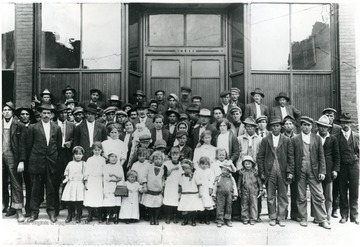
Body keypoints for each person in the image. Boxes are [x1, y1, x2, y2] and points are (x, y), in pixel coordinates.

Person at [24, 103, 62, 223]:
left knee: (51, 188)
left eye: (48, 113)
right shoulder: (33, 128)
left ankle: (51, 212)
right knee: (36, 189)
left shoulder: (57, 128)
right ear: (40, 114)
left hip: (51, 163)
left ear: (51, 115)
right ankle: (34, 212)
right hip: (37, 162)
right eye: (44, 113)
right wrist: (31, 162)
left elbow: (59, 147)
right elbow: (29, 146)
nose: (46, 115)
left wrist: (55, 159)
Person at [291, 116, 331, 229]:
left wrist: (322, 171)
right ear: (301, 126)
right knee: (301, 195)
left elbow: (321, 156)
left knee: (318, 195)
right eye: (304, 124)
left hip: (314, 170)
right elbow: (292, 157)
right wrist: (292, 172)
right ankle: (303, 218)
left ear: (312, 126)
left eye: (308, 125)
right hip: (300, 170)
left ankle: (322, 219)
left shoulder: (316, 138)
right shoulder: (295, 139)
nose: (306, 127)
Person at [257, 116, 294, 227]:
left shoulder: (286, 140)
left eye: (277, 125)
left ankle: (281, 217)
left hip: (282, 170)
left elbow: (290, 157)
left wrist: (290, 171)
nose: (275, 128)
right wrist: (262, 171)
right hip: (270, 170)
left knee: (283, 195)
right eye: (273, 126)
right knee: (270, 196)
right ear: (270, 127)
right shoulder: (265, 140)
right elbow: (261, 157)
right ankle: (272, 217)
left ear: (281, 127)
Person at [311, 115, 340, 224]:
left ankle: (327, 216)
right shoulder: (313, 137)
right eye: (321, 126)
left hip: (328, 170)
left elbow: (336, 156)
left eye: (325, 127)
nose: (323, 129)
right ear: (318, 126)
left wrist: (335, 170)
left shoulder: (332, 139)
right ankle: (316, 216)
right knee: (317, 194)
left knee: (328, 195)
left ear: (328, 128)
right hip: (315, 169)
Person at [2, 102, 26, 222]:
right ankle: (7, 207)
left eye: (9, 110)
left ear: (12, 112)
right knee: (2, 184)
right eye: (4, 109)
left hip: (13, 157)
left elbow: (22, 145)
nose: (6, 111)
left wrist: (21, 161)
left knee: (16, 184)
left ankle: (18, 210)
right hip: (1, 156)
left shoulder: (18, 125)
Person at [334, 113, 359, 225]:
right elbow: (335, 154)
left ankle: (354, 216)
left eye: (348, 122)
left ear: (351, 124)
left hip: (354, 166)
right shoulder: (336, 137)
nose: (346, 125)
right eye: (343, 122)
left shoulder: (357, 136)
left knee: (354, 191)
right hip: (342, 167)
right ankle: (344, 215)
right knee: (342, 191)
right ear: (340, 124)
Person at [54, 103, 75, 216]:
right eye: (61, 112)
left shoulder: (72, 125)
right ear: (57, 114)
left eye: (65, 112)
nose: (64, 114)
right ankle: (56, 203)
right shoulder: (53, 124)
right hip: (56, 154)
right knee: (56, 179)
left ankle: (65, 200)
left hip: (67, 154)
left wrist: (70, 142)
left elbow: (74, 138)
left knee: (67, 178)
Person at [15, 105, 34, 217]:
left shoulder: (33, 127)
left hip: (29, 160)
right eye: (22, 114)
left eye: (27, 114)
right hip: (15, 158)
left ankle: (29, 208)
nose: (24, 116)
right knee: (16, 185)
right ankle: (15, 207)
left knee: (29, 184)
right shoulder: (15, 127)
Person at [61, 146, 85, 223]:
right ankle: (70, 215)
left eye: (80, 154)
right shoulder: (70, 163)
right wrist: (67, 177)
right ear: (73, 155)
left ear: (82, 155)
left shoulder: (83, 164)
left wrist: (85, 180)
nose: (78, 156)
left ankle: (78, 215)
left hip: (79, 184)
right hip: (71, 184)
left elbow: (85, 173)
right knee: (71, 200)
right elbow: (66, 172)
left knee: (79, 200)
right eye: (76, 154)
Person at [83, 142, 106, 223]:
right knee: (90, 197)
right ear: (92, 150)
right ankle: (90, 215)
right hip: (91, 180)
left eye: (98, 150)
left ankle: (99, 215)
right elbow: (86, 171)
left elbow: (104, 172)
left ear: (101, 150)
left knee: (99, 197)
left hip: (99, 180)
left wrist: (104, 182)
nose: (97, 151)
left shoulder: (103, 160)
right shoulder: (89, 159)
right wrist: (86, 181)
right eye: (95, 150)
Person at [141, 151, 165, 225]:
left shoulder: (163, 168)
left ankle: (156, 217)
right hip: (150, 189)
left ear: (162, 160)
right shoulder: (148, 167)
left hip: (158, 190)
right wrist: (145, 185)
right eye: (156, 159)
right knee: (150, 205)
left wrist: (163, 187)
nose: (158, 160)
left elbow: (164, 179)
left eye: (160, 159)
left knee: (157, 204)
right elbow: (144, 176)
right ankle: (151, 217)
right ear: (153, 160)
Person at [178, 159, 204, 226]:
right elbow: (180, 186)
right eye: (185, 168)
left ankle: (193, 220)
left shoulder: (195, 176)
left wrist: (200, 192)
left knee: (193, 208)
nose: (186, 170)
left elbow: (199, 184)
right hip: (185, 195)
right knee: (185, 208)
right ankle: (185, 220)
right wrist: (179, 194)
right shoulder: (182, 176)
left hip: (193, 195)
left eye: (188, 168)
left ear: (191, 168)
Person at [212, 160, 238, 227]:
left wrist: (235, 194)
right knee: (220, 206)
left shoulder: (231, 178)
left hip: (229, 194)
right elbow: (215, 185)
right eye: (224, 170)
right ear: (221, 169)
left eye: (227, 170)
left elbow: (234, 186)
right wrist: (214, 193)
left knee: (228, 206)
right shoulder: (219, 177)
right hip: (220, 194)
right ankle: (220, 220)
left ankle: (228, 219)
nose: (225, 171)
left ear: (229, 171)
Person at [238, 156, 263, 225]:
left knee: (253, 205)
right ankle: (245, 218)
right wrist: (239, 189)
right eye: (246, 164)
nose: (248, 165)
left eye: (249, 164)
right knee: (244, 205)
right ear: (243, 165)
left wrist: (261, 189)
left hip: (254, 191)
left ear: (252, 164)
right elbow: (239, 181)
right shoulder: (242, 172)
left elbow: (259, 181)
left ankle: (253, 218)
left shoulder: (255, 172)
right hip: (244, 191)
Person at [102, 151, 124, 224]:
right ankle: (108, 216)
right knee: (109, 202)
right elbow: (106, 178)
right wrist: (114, 179)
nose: (114, 158)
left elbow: (120, 177)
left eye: (115, 157)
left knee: (116, 202)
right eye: (112, 156)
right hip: (108, 186)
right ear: (108, 158)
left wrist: (114, 177)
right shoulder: (106, 166)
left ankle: (115, 216)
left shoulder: (119, 166)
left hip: (116, 186)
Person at [163, 147, 183, 224]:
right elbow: (165, 174)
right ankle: (168, 216)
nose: (175, 156)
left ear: (179, 155)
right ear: (170, 155)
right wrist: (172, 169)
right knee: (168, 200)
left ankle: (175, 216)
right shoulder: (166, 164)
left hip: (177, 184)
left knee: (176, 200)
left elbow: (183, 175)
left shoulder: (181, 164)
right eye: (173, 154)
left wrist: (180, 186)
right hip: (169, 184)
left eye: (177, 154)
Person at [194, 156, 215, 224]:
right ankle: (201, 218)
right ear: (199, 164)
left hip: (206, 188)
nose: (204, 166)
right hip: (200, 188)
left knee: (207, 203)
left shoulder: (210, 171)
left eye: (206, 164)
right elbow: (195, 179)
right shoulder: (197, 170)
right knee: (200, 203)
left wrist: (210, 188)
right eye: (202, 164)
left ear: (208, 165)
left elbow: (212, 180)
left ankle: (207, 218)